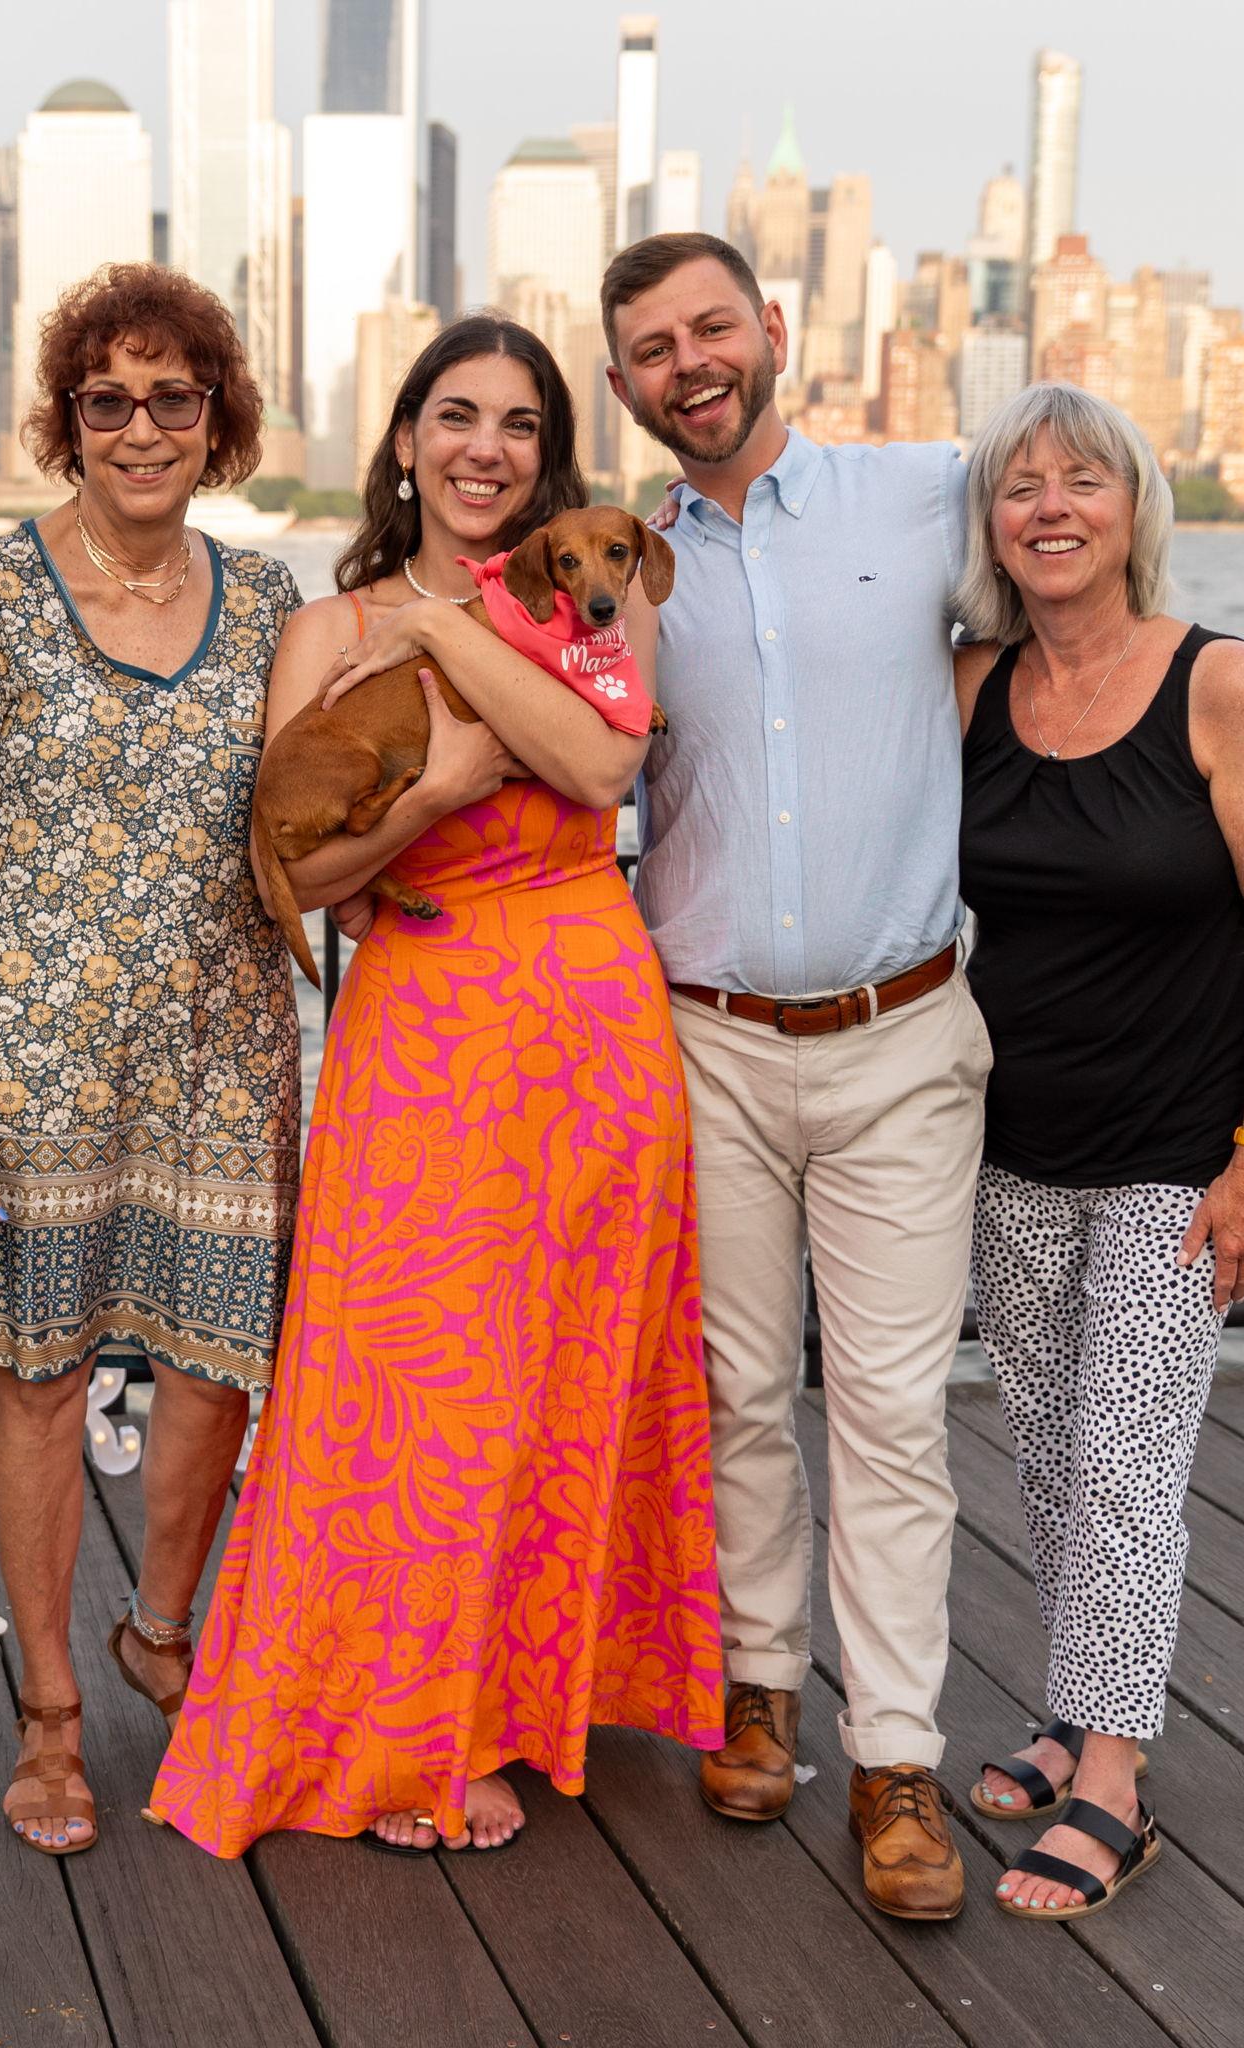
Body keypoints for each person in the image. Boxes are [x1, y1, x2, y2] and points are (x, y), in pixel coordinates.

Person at [149, 314, 725, 1859]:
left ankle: (532, 1699)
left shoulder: (598, 593)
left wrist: (457, 636)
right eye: (455, 416)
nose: (487, 447)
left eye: (522, 424)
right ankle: (414, 1725)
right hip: (423, 1031)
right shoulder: (327, 632)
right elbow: (303, 862)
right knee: (409, 1387)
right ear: (403, 441)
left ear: (555, 456)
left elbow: (604, 772)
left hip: (591, 1032)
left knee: (560, 1377)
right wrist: (447, 786)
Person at [0, 265, 300, 1856]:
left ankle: (168, 1632)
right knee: (43, 1386)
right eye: (108, 400)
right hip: (32, 1070)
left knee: (212, 1379)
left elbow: (319, 814)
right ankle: (53, 1720)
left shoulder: (269, 604)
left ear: (218, 421)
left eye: (172, 398)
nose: (141, 427)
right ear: (69, 423)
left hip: (223, 1056)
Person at [602, 231, 981, 1920]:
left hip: (905, 1038)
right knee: (739, 1396)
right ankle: (760, 1688)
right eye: (650, 350)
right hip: (706, 1044)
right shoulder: (619, 568)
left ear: (772, 329)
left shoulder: (928, 496)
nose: (690, 364)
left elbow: (1072, 584)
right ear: (622, 388)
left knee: (894, 1417)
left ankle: (895, 1755)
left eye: (710, 329)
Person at [954, 382, 1244, 1920]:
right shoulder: (974, 685)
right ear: (991, 525)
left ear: (1132, 511)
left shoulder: (1220, 683)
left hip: (1184, 1152)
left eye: (1082, 481)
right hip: (1013, 1140)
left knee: (1125, 1463)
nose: (1050, 506)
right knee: (1047, 1450)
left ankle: (1113, 1772)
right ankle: (1068, 1702)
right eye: (1020, 486)